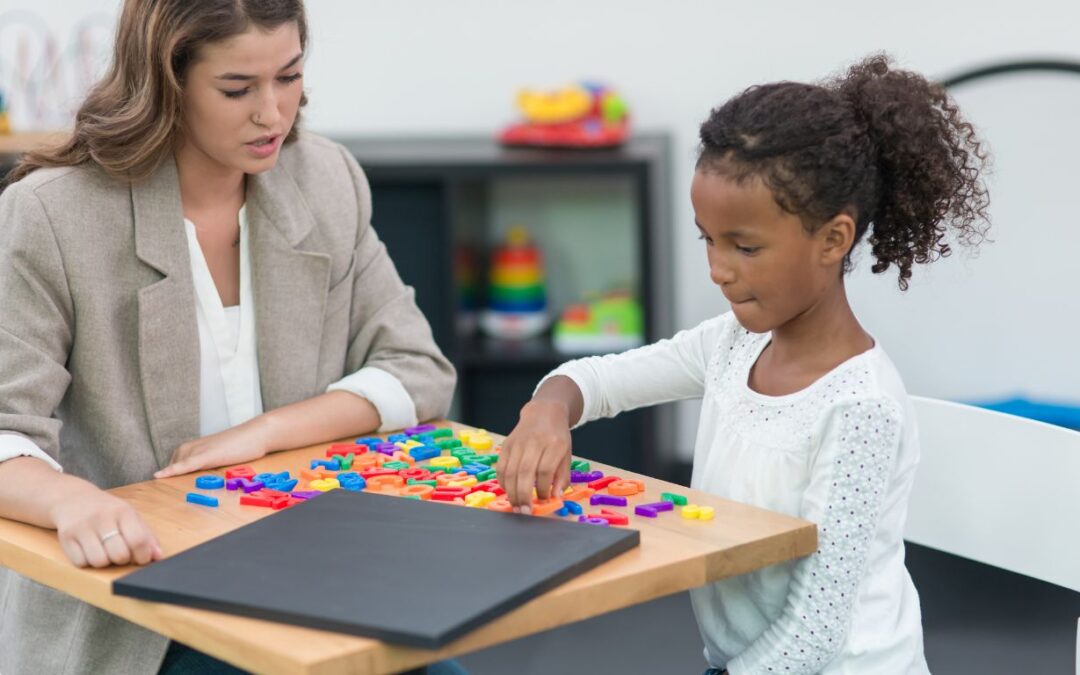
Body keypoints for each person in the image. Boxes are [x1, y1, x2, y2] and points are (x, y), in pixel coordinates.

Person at [0, 1, 457, 673]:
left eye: (290, 76)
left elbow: (419, 370)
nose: (272, 113)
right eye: (237, 89)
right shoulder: (53, 215)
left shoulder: (325, 178)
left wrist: (268, 431)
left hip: (320, 585)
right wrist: (71, 500)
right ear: (167, 82)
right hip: (140, 614)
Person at [496, 54, 990, 674]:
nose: (718, 269)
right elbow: (597, 380)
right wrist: (548, 409)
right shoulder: (732, 345)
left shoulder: (861, 407)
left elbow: (816, 633)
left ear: (833, 240)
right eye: (708, 238)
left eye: (745, 247)